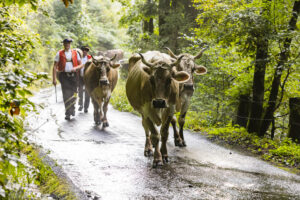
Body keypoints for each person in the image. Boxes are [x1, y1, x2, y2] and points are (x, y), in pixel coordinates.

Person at [52, 38, 83, 120]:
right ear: (63, 44)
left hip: (74, 76)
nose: (67, 45)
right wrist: (54, 79)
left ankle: (72, 108)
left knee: (74, 94)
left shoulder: (75, 53)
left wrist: (76, 68)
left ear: (70, 44)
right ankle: (67, 113)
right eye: (65, 43)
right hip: (64, 76)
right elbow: (55, 66)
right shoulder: (59, 53)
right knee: (66, 95)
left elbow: (81, 65)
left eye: (68, 43)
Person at [78, 46, 92, 113]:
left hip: (87, 78)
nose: (85, 51)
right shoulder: (78, 58)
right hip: (80, 77)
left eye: (86, 50)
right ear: (81, 51)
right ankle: (80, 105)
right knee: (80, 91)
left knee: (87, 92)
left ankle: (86, 107)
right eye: (83, 50)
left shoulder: (90, 58)